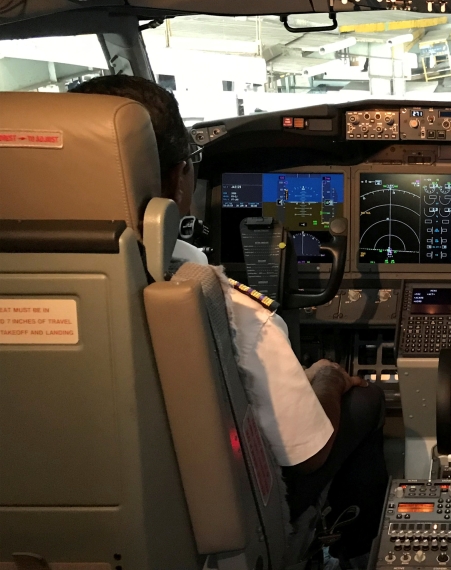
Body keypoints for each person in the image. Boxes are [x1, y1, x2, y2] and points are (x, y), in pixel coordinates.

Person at [71, 75, 387, 558]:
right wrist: (323, 377)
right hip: (227, 515)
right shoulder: (215, 303)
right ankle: (352, 549)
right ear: (179, 180)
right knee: (364, 400)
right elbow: (309, 453)